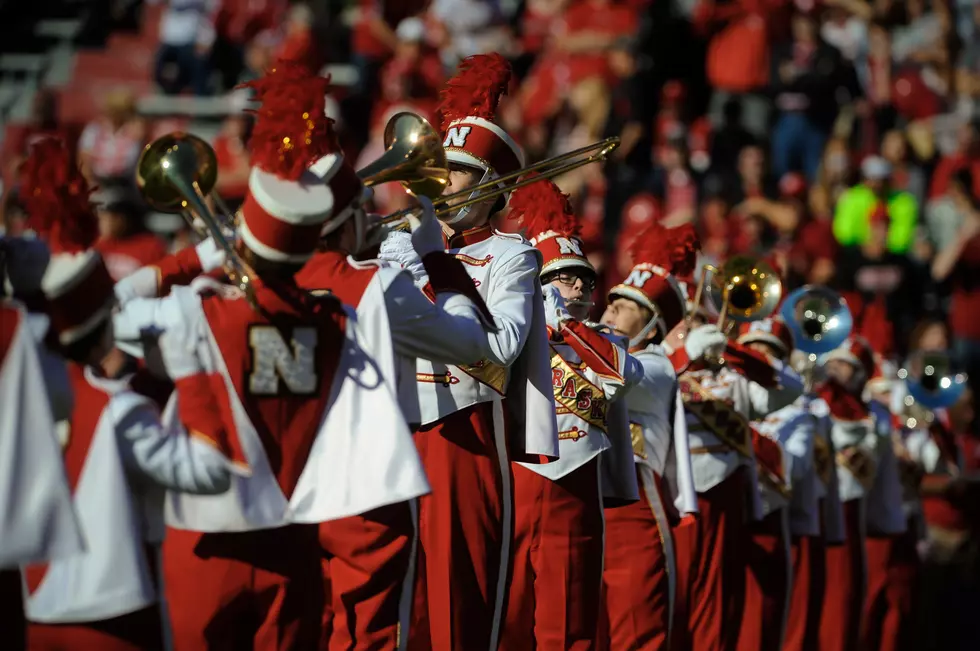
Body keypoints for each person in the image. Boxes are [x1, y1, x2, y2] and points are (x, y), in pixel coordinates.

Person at [115, 64, 430, 651]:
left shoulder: (197, 314)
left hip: (206, 543)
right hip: (291, 544)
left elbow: (112, 311)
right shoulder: (343, 321)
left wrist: (200, 257)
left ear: (246, 243)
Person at [16, 133, 233, 651]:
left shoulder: (24, 393)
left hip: (31, 611)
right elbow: (211, 470)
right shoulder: (122, 410)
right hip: (112, 619)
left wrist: (202, 251)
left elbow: (111, 298)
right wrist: (191, 371)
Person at [378, 52, 560, 650]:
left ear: (493, 186)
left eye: (459, 172)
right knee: (391, 594)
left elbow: (501, 350)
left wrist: (433, 266)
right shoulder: (399, 239)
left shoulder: (514, 254)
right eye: (441, 169)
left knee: (456, 602)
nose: (443, 182)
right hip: (394, 426)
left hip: (465, 433)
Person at [500, 177, 642, 650]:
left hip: (575, 488)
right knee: (506, 618)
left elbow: (625, 374)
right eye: (565, 276)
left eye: (585, 277)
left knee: (569, 625)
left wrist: (567, 326)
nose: (579, 284)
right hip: (518, 481)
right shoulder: (513, 329)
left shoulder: (605, 340)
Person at [665, 294, 802, 651]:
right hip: (672, 496)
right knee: (669, 600)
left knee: (716, 604)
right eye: (685, 320)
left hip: (723, 494)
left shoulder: (732, 376)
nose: (692, 326)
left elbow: (791, 387)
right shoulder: (657, 363)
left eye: (698, 320)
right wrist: (682, 354)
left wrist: (734, 350)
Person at [598, 221, 700, 651]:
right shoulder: (587, 342)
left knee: (635, 630)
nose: (609, 311)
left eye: (625, 307)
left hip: (634, 508)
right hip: (583, 495)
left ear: (653, 326)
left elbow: (613, 368)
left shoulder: (657, 366)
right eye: (611, 302)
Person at [736, 318, 808, 651]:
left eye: (768, 352)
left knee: (759, 628)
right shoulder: (724, 390)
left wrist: (731, 430)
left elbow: (788, 470)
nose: (756, 358)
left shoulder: (803, 411)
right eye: (749, 350)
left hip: (767, 522)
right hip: (723, 514)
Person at [816, 337, 881, 651]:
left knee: (841, 599)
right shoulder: (817, 397)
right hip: (812, 509)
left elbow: (860, 462)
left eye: (844, 365)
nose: (834, 369)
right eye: (833, 362)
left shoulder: (866, 417)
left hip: (844, 509)